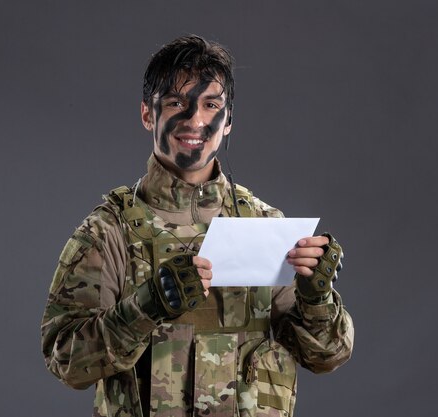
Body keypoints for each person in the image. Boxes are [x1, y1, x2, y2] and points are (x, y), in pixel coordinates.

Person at [41, 35, 354, 417]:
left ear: (228, 122)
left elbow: (326, 356)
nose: (195, 120)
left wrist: (316, 297)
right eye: (176, 103)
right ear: (147, 114)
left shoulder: (263, 228)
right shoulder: (109, 233)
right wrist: (147, 305)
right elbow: (66, 362)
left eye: (210, 105)